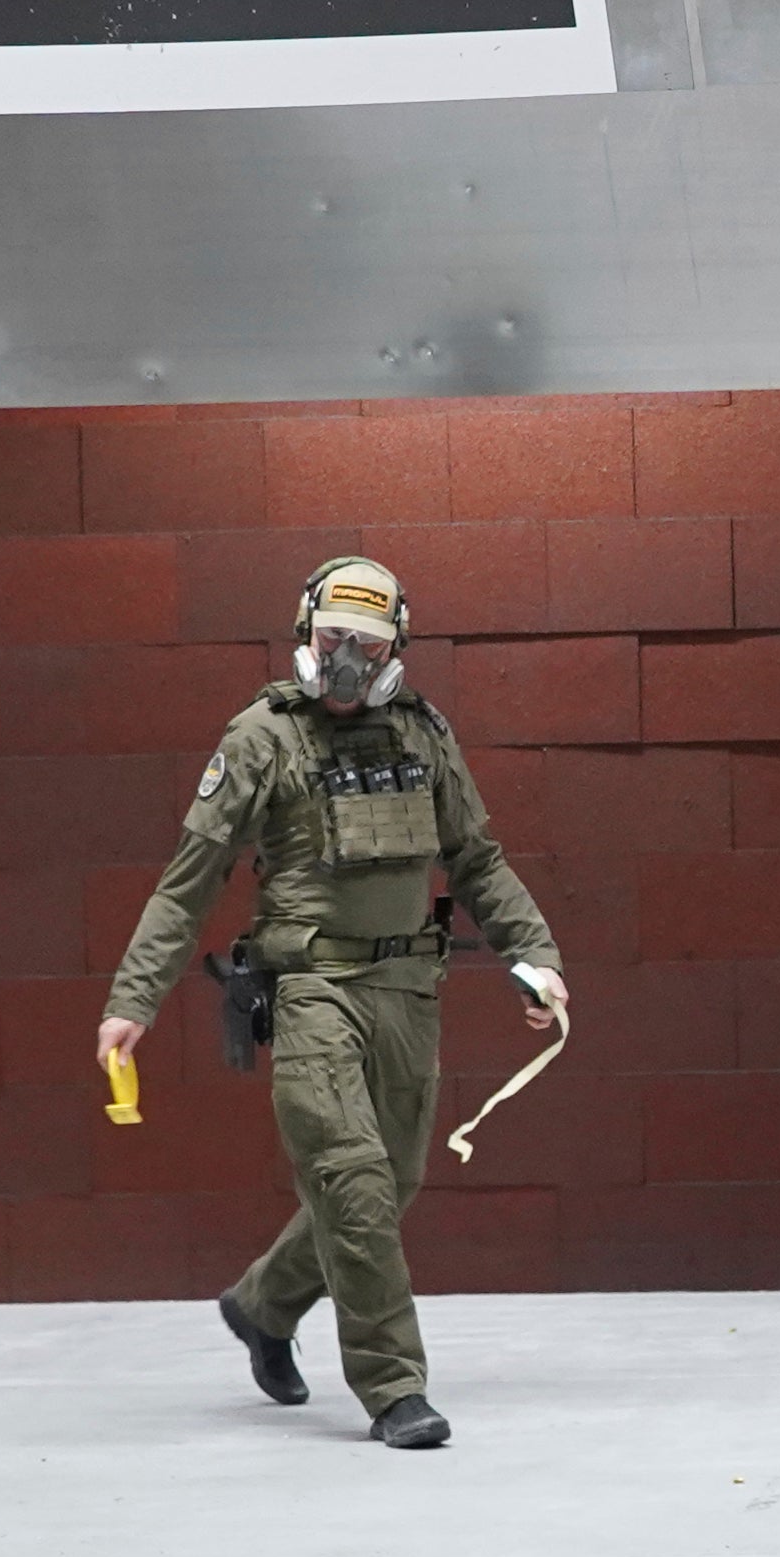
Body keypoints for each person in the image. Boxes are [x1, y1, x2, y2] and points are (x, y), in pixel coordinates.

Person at [94, 557, 564, 1449]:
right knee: (350, 1178)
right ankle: (394, 1389)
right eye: (332, 638)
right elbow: (189, 883)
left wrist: (533, 955)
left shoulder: (423, 734)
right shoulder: (262, 738)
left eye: (368, 642)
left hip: (407, 988)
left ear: (397, 646)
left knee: (395, 1180)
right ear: (306, 633)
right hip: (310, 988)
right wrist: (134, 997)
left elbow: (478, 858)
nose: (346, 657)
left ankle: (262, 1307)